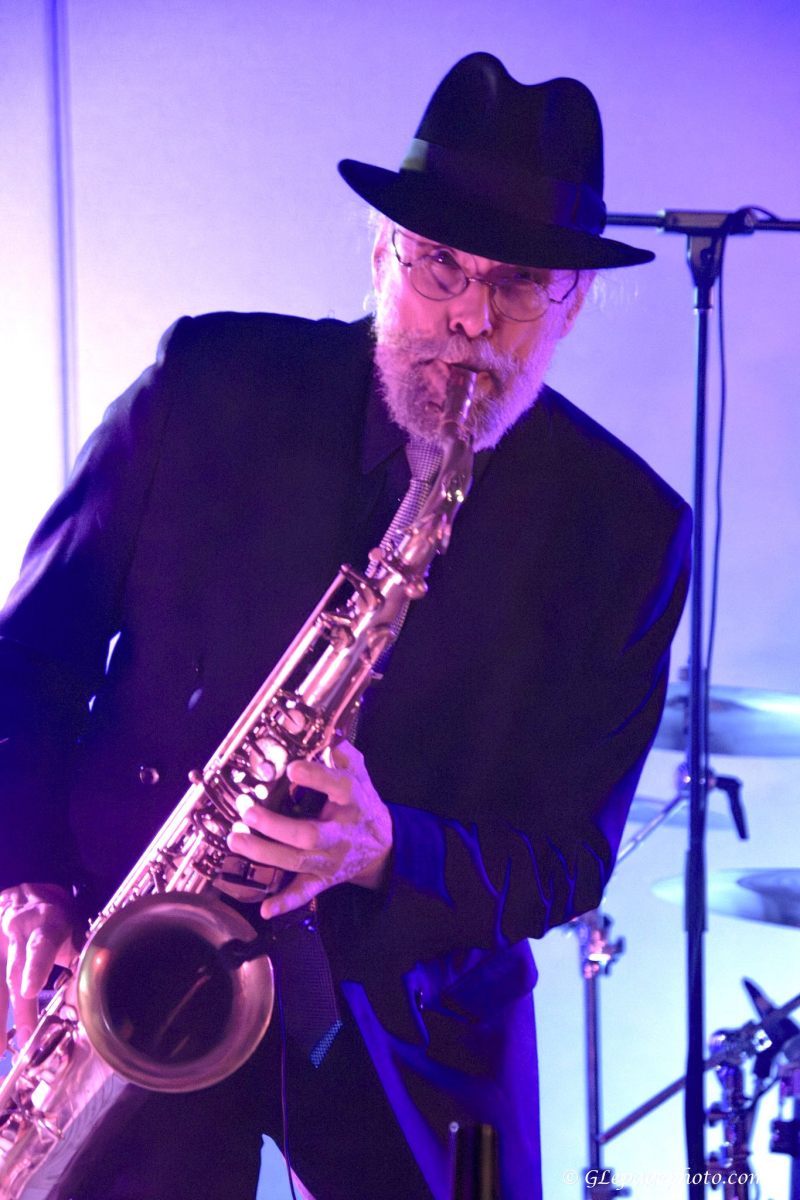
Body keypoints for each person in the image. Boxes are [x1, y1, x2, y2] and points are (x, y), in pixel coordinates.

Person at [0, 52, 690, 1200]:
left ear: (571, 304)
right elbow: (26, 663)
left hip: (410, 1036)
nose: (469, 316)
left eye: (519, 284)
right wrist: (25, 881)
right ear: (381, 253)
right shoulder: (208, 380)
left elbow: (568, 858)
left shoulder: (623, 530)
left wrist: (384, 847)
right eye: (439, 265)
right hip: (131, 968)